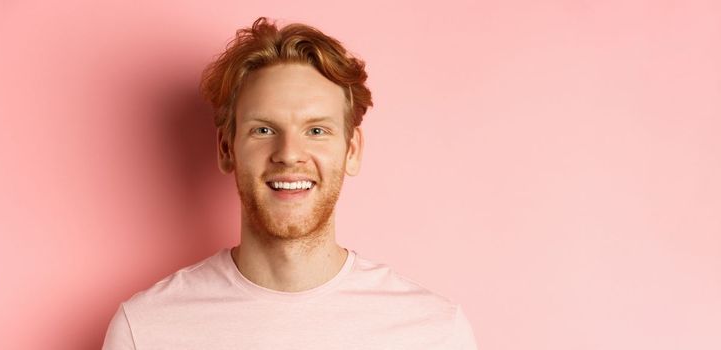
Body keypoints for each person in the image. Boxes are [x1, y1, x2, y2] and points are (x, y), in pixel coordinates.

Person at [101, 16, 478, 349]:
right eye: (263, 129)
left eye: (316, 130)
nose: (289, 153)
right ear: (226, 148)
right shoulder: (147, 330)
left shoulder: (434, 333)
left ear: (351, 150)